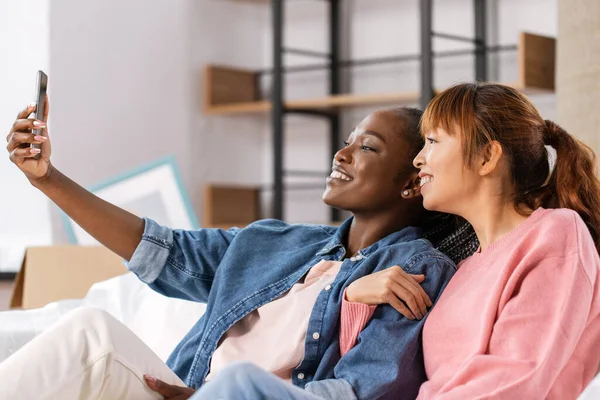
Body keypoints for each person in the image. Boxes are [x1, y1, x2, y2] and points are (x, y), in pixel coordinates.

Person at [2, 100, 475, 399]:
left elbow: (362, 390)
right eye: (346, 142)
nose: (341, 154)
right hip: (175, 389)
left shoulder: (411, 270)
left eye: (367, 148)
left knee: (93, 337)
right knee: (91, 333)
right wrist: (47, 178)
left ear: (414, 181)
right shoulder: (275, 242)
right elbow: (161, 251)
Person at [342, 82, 600, 399]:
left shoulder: (555, 234)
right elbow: (375, 372)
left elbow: (516, 381)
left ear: (486, 157)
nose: (418, 160)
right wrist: (353, 296)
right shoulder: (461, 266)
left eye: (432, 141)